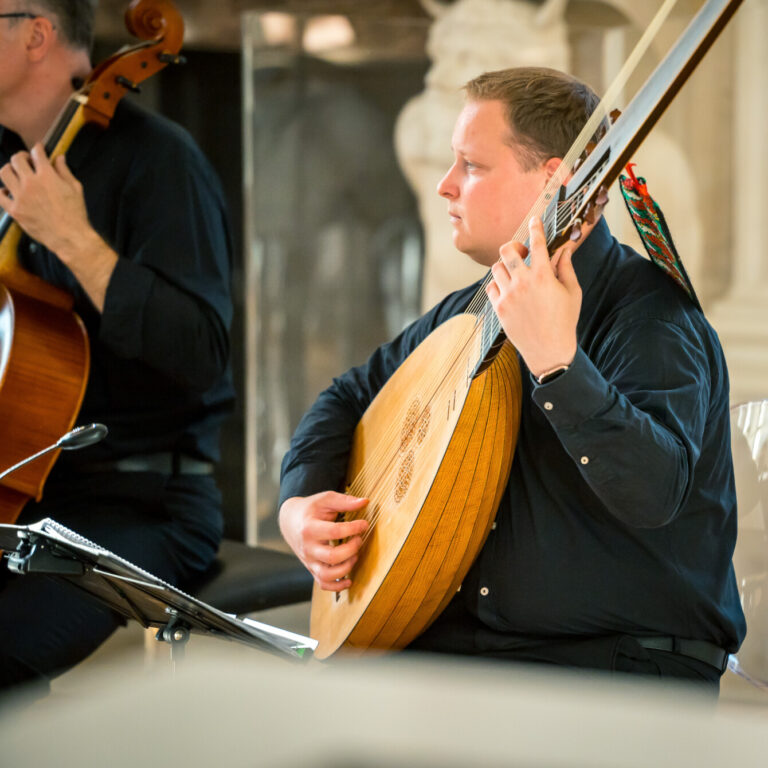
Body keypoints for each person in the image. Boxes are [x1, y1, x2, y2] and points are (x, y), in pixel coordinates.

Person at [278, 66, 745, 691]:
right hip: (465, 657)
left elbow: (655, 492)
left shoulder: (652, 317)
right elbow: (350, 394)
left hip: (612, 670)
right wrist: (299, 505)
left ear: (553, 181)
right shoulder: (470, 312)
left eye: (471, 165)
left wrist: (558, 364)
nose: (445, 186)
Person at [0, 0, 234, 693]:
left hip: (143, 500)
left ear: (37, 33)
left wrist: (73, 238)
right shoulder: (6, 152)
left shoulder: (160, 161)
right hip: (23, 493)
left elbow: (200, 353)